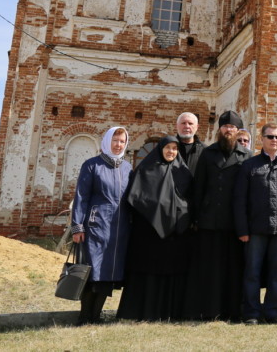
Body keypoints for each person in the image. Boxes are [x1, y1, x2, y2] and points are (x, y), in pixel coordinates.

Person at [184, 110, 251, 321]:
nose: (228, 130)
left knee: (233, 270)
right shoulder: (208, 153)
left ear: (237, 130)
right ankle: (209, 310)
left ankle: (233, 311)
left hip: (234, 224)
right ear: (219, 129)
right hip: (209, 220)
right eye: (225, 126)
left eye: (232, 127)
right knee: (210, 270)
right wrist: (195, 217)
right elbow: (199, 187)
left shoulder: (246, 156)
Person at [234, 124, 277, 325]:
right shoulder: (250, 165)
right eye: (270, 136)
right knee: (252, 273)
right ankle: (252, 313)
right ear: (262, 139)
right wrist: (242, 229)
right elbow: (240, 199)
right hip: (255, 229)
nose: (275, 140)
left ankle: (272, 312)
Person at [118, 135, 192, 321]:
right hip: (149, 234)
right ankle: (142, 312)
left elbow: (190, 200)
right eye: (168, 148)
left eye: (175, 149)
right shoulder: (146, 169)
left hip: (175, 236)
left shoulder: (183, 172)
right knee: (148, 275)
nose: (171, 152)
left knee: (172, 274)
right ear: (160, 149)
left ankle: (169, 313)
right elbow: (135, 198)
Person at [71, 126, 132, 325]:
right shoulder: (92, 165)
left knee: (108, 273)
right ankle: (84, 317)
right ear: (107, 141)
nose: (118, 144)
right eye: (115, 140)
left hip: (119, 229)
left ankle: (96, 316)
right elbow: (81, 197)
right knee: (91, 271)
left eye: (122, 141)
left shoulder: (127, 168)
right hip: (95, 226)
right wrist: (78, 226)